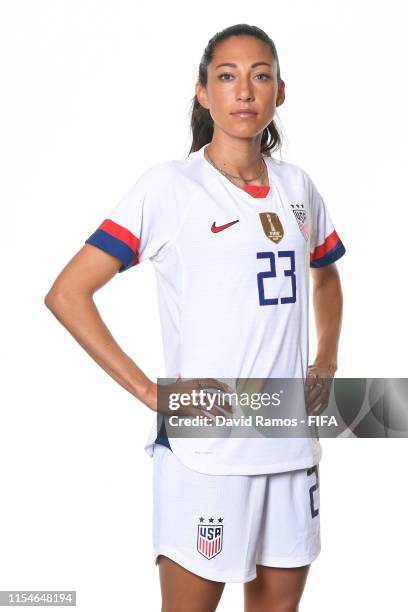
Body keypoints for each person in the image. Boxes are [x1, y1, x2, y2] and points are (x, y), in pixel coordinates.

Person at [44, 23, 345, 612]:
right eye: (226, 77)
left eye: (260, 76)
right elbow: (67, 293)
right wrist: (155, 393)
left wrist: (326, 357)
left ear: (280, 91)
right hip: (206, 444)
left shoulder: (298, 187)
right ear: (203, 93)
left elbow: (326, 274)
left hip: (287, 436)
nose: (245, 91)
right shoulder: (169, 188)